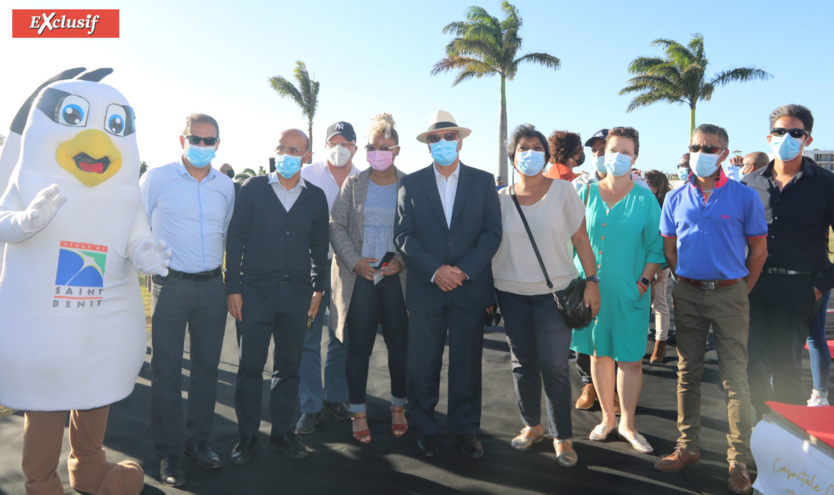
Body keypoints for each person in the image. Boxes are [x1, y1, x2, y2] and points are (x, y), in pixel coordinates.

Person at [654, 124, 768, 495]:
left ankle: (737, 460)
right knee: (688, 372)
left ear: (724, 152)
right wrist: (685, 279)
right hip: (686, 293)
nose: (702, 151)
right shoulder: (675, 197)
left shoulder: (744, 197)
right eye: (696, 146)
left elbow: (759, 252)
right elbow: (670, 250)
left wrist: (739, 290)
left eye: (710, 147)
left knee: (735, 378)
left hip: (730, 294)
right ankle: (688, 447)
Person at [394, 110, 501, 458]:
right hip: (427, 289)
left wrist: (463, 271)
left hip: (469, 289)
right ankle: (426, 428)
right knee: (422, 365)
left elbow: (491, 233)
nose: (443, 143)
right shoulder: (410, 184)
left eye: (449, 137)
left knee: (467, 364)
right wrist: (435, 270)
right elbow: (404, 236)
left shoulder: (484, 181)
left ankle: (465, 429)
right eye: (435, 139)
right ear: (428, 145)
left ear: (461, 141)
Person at [492, 124, 600, 467]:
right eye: (523, 148)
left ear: (546, 154)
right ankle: (531, 426)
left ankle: (562, 436)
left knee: (554, 365)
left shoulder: (564, 192)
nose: (530, 153)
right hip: (510, 293)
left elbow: (582, 240)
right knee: (523, 365)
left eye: (537, 147)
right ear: (513, 157)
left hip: (554, 295)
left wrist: (593, 281)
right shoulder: (498, 200)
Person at [140, 114, 235, 487]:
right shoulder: (157, 178)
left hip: (212, 286)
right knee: (166, 372)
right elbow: (136, 224)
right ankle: (168, 452)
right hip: (170, 286)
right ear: (183, 140)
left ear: (217, 144)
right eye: (195, 139)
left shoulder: (226, 186)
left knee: (206, 370)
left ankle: (199, 442)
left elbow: (228, 235)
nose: (202, 146)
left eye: (209, 141)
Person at [225, 128, 329, 464]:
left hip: (296, 295)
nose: (288, 154)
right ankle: (247, 436)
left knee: (289, 367)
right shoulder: (253, 188)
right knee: (250, 367)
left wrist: (319, 289)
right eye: (284, 148)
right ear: (275, 150)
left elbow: (319, 247)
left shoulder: (315, 197)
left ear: (307, 156)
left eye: (296, 149)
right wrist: (233, 288)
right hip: (254, 293)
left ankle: (283, 433)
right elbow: (235, 237)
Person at [570, 126, 663, 454]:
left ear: (635, 157)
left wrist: (642, 283)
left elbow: (656, 246)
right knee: (598, 355)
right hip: (591, 293)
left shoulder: (645, 197)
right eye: (613, 150)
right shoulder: (586, 193)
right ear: (602, 154)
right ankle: (608, 418)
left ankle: (628, 423)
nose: (618, 157)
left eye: (626, 152)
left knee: (631, 360)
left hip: (629, 293)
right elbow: (574, 242)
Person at [743, 104, 834, 416]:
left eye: (795, 133)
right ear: (769, 136)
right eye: (780, 132)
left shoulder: (826, 184)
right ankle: (759, 428)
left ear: (807, 139)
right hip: (754, 285)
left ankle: (788, 443)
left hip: (800, 289)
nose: (787, 138)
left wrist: (820, 287)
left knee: (787, 368)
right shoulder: (749, 184)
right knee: (750, 362)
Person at [330, 113, 409, 444]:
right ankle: (359, 411)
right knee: (358, 348)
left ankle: (398, 407)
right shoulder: (354, 184)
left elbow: (416, 232)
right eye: (371, 147)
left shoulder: (409, 184)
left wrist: (401, 262)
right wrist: (354, 262)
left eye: (384, 147)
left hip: (394, 280)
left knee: (399, 347)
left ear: (397, 150)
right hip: (361, 278)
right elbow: (336, 225)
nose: (377, 152)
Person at [295, 121, 360, 435]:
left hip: (348, 270)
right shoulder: (307, 176)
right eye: (334, 141)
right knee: (308, 338)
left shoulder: (364, 178)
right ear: (324, 146)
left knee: (340, 336)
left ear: (355, 148)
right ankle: (310, 406)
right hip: (311, 268)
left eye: (345, 142)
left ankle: (335, 397)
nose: (340, 147)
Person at [570, 129, 617, 414]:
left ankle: (611, 388)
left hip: (620, 274)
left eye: (606, 149)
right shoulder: (579, 186)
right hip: (584, 273)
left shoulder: (639, 187)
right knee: (584, 328)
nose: (600, 155)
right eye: (596, 150)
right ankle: (589, 383)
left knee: (615, 331)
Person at [643, 170, 673, 363]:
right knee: (644, 301)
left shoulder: (664, 205)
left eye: (647, 183)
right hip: (641, 261)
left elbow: (666, 238)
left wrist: (661, 267)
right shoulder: (643, 203)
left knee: (659, 303)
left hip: (660, 263)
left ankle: (660, 344)